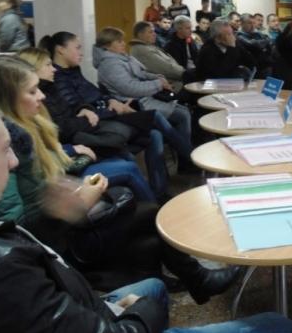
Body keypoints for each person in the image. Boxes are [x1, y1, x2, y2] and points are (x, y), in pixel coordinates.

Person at [0, 96, 292, 333]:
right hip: (104, 319)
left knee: (154, 285)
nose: (13, 161)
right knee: (277, 324)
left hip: (83, 306)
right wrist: (137, 312)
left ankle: (189, 286)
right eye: (4, 150)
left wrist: (59, 215)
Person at [39, 32, 173, 200]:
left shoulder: (71, 73)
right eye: (77, 48)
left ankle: (159, 191)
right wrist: (113, 109)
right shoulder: (56, 83)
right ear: (60, 50)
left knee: (155, 132)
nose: (81, 52)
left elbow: (91, 97)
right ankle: (158, 193)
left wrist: (109, 101)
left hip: (102, 121)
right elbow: (71, 122)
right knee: (153, 123)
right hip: (95, 129)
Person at [17, 47, 157, 203]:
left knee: (140, 141)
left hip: (70, 150)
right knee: (129, 164)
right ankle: (153, 207)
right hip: (65, 165)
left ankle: (151, 200)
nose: (53, 69)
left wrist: (85, 109)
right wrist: (73, 147)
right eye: (48, 65)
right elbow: (57, 134)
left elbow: (74, 107)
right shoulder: (26, 116)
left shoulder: (52, 88)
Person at [94, 27, 194, 173]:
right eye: (119, 41)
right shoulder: (110, 65)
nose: (123, 43)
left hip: (144, 99)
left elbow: (142, 73)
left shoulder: (121, 57)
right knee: (181, 115)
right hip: (135, 105)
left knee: (182, 112)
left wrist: (157, 78)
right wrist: (158, 84)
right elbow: (131, 88)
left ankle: (187, 160)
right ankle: (189, 158)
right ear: (107, 45)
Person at [130, 21, 186, 92]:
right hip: (168, 87)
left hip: (173, 82)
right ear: (140, 34)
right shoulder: (142, 50)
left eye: (154, 31)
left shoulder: (147, 46)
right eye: (150, 32)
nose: (154, 34)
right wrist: (186, 73)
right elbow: (166, 69)